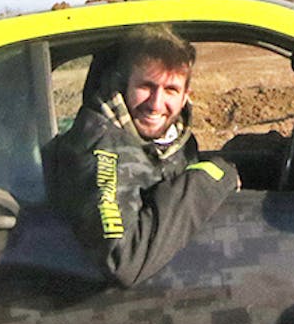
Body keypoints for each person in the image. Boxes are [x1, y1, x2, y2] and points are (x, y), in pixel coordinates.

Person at [44, 24, 239, 287]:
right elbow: (124, 257)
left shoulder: (169, 138)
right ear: (124, 85)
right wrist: (215, 176)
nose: (156, 104)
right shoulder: (102, 147)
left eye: (171, 90)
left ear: (185, 98)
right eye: (147, 86)